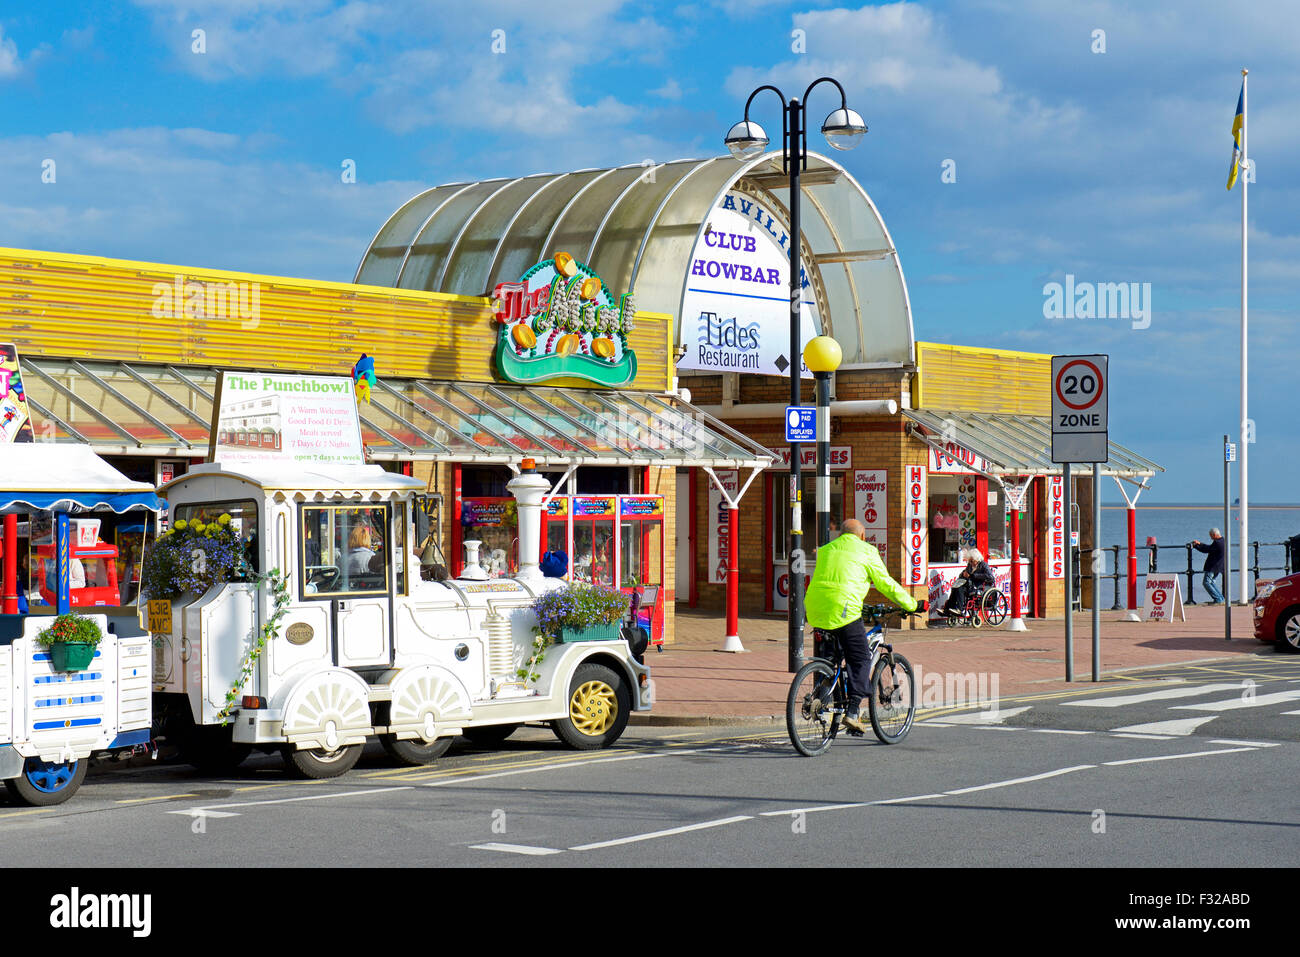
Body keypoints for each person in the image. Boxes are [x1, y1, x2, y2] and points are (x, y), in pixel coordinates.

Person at [805, 518, 922, 734]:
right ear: (862, 535)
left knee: (832, 658)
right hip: (844, 610)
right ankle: (851, 712)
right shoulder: (866, 550)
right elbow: (885, 583)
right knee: (860, 659)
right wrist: (912, 603)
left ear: (840, 534)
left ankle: (822, 695)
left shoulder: (827, 549)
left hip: (814, 610)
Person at [941, 548, 995, 618]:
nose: (970, 563)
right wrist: (963, 574)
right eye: (969, 561)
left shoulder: (983, 565)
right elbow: (965, 573)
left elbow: (990, 577)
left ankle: (959, 609)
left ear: (977, 559)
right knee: (955, 587)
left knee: (960, 588)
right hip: (970, 585)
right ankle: (947, 609)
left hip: (979, 586)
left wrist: (973, 575)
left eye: (972, 561)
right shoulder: (970, 565)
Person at [1192, 528, 1225, 604]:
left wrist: (1196, 546)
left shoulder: (1217, 543)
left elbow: (1207, 549)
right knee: (1212, 582)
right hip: (1219, 566)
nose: (1211, 537)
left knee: (1206, 582)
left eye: (1211, 536)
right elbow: (1210, 547)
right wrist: (1200, 544)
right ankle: (1220, 598)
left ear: (1214, 535)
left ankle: (1218, 599)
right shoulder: (1223, 540)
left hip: (1213, 566)